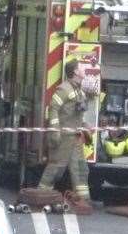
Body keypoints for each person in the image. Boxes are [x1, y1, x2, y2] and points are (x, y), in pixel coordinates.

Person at [37, 59, 95, 214]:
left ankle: (84, 201)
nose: (84, 70)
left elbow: (75, 113)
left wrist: (85, 126)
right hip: (63, 138)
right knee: (55, 169)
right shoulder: (64, 89)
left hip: (74, 137)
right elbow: (53, 108)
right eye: (82, 67)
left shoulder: (78, 90)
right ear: (75, 72)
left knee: (81, 169)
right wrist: (54, 129)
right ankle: (40, 198)